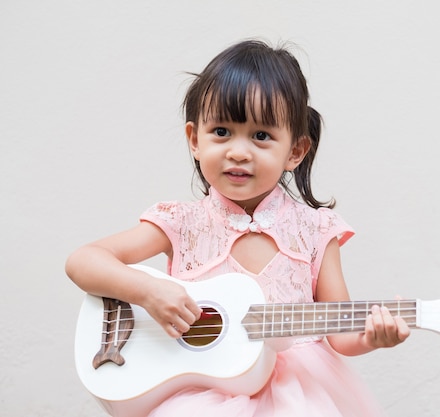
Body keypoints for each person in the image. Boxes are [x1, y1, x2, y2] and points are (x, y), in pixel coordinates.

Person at [66, 39, 410, 416]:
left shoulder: (316, 230)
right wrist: (148, 290)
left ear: (295, 151)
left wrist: (373, 336)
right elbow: (84, 261)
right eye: (222, 132)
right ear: (195, 140)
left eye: (261, 136)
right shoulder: (182, 223)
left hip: (296, 397)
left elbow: (341, 332)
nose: (239, 151)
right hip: (202, 392)